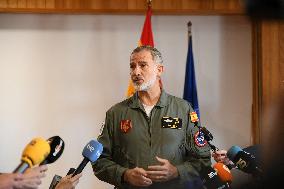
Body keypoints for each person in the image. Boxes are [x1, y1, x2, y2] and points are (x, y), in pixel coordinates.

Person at [92, 45, 211, 189]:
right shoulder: (115, 113)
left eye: (143, 65)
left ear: (159, 70)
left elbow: (202, 160)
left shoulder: (183, 109)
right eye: (132, 66)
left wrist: (176, 172)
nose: (136, 72)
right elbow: (98, 160)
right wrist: (125, 174)